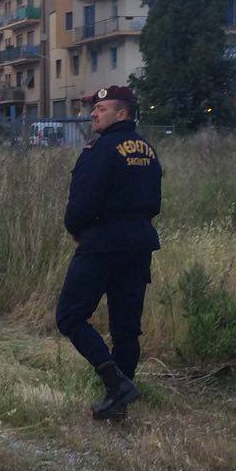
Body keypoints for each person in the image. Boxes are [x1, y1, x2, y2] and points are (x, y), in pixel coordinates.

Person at [55, 86, 162, 421]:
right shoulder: (148, 150)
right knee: (125, 329)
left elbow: (82, 199)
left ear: (121, 113)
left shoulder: (99, 149)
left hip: (102, 244)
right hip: (139, 244)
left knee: (70, 316)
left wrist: (75, 227)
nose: (93, 113)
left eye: (101, 108)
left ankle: (115, 383)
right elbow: (154, 202)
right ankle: (118, 403)